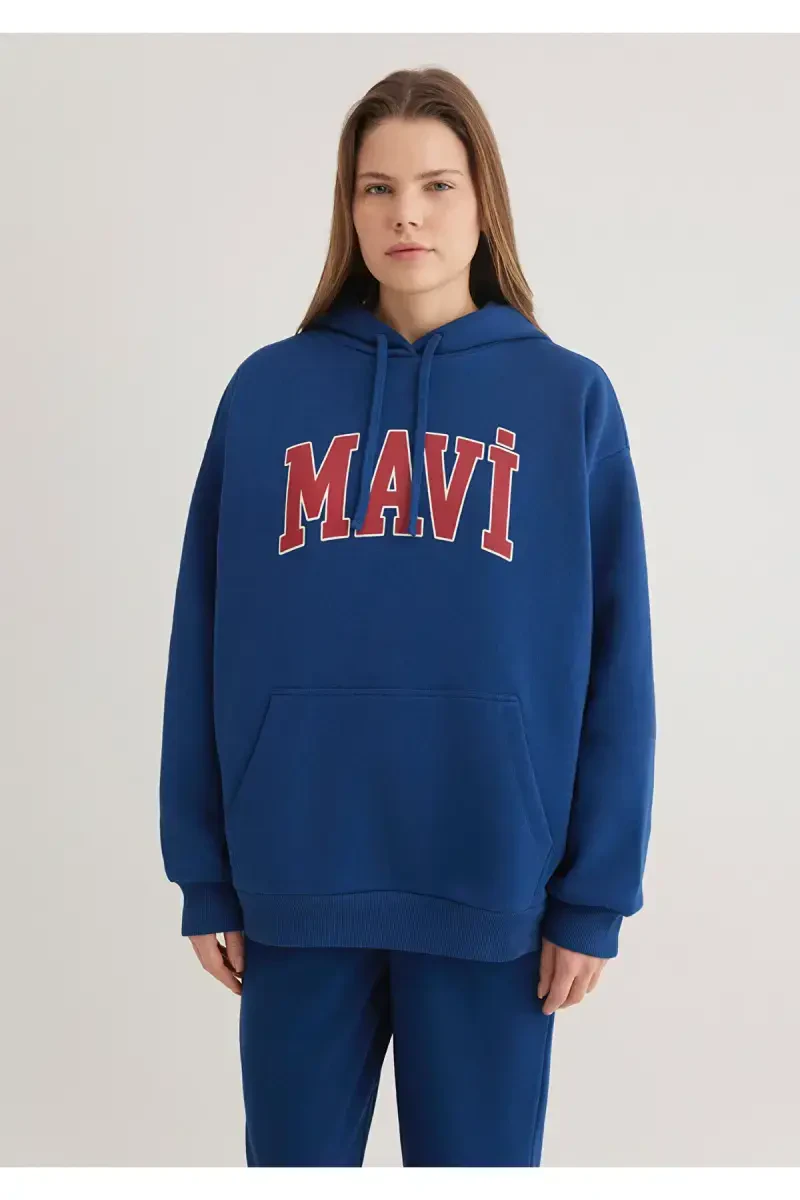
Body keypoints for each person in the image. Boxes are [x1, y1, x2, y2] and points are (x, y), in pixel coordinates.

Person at [158, 65, 657, 1168]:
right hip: (295, 880)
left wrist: (593, 898)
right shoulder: (267, 394)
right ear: (348, 208)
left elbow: (617, 663)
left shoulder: (566, 399)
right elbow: (201, 635)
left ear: (484, 201)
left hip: (491, 882)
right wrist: (203, 871)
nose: (406, 217)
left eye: (436, 185)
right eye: (376, 189)